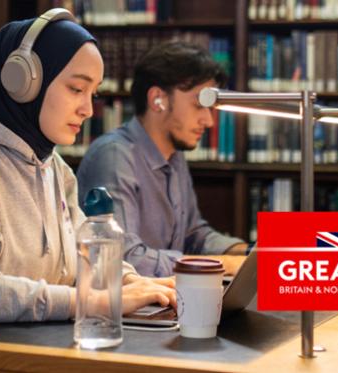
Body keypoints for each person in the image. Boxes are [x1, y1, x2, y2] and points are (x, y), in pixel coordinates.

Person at [0, 9, 175, 337]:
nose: (87, 109)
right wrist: (92, 301)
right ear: (23, 83)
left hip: (23, 347)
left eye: (93, 94)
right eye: (76, 89)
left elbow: (84, 257)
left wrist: (132, 283)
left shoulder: (55, 169)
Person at [76, 41, 248, 278]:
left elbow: (193, 235)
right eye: (199, 105)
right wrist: (225, 264)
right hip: (126, 310)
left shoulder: (175, 157)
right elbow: (123, 256)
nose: (209, 121)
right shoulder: (114, 157)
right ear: (158, 99)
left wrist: (248, 253)